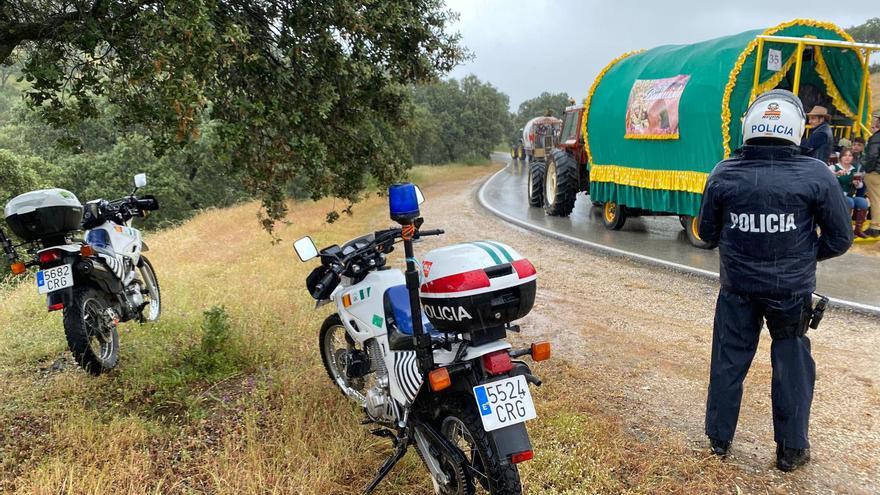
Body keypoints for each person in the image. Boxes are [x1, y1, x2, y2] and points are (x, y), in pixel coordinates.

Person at [698, 90, 852, 472]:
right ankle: (792, 451)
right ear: (797, 128)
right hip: (791, 292)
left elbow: (707, 232)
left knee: (728, 361)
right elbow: (840, 238)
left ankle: (719, 440)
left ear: (749, 126)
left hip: (737, 289)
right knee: (792, 366)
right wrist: (799, 255)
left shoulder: (724, 172)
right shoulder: (816, 175)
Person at [830, 149, 868, 238]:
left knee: (863, 202)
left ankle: (858, 230)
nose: (847, 157)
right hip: (836, 196)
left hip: (849, 195)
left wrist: (858, 184)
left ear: (852, 158)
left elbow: (860, 186)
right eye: (845, 155)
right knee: (850, 201)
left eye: (850, 155)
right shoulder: (834, 167)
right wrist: (836, 174)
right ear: (840, 157)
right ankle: (845, 230)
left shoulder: (854, 169)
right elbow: (827, 179)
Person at [863, 113, 880, 238]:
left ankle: (875, 227)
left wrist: (868, 169)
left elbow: (872, 156)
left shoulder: (876, 138)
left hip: (875, 172)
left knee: (875, 200)